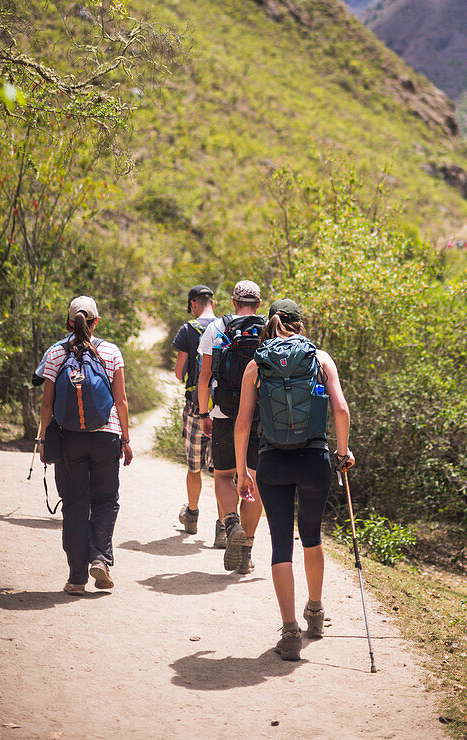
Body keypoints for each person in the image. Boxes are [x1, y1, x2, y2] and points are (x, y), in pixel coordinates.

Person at [235, 298, 353, 661]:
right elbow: (341, 409)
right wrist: (343, 453)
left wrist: (242, 471)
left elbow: (242, 424)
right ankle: (315, 613)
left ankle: (289, 632)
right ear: (300, 325)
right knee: (313, 536)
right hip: (314, 457)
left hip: (273, 463)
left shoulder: (256, 365)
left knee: (281, 543)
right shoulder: (320, 359)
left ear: (271, 324)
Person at [39, 295, 133, 595]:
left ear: (69, 322)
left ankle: (76, 578)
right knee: (105, 500)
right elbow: (121, 400)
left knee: (75, 506)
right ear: (96, 321)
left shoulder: (55, 353)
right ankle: (100, 559)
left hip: (69, 439)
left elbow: (47, 403)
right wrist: (126, 440)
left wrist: (42, 439)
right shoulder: (111, 351)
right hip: (106, 436)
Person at [198, 279, 265, 575]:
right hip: (262, 417)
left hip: (226, 412)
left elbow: (204, 378)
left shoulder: (217, 327)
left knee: (224, 476)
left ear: (234, 302)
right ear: (258, 305)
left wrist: (204, 414)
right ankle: (247, 551)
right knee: (254, 479)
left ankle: (231, 523)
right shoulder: (268, 328)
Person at [171, 284, 225, 546]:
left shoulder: (187, 330)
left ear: (193, 304)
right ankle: (223, 526)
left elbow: (179, 372)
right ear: (212, 304)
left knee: (194, 466)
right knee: (222, 471)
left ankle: (191, 516)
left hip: (195, 408)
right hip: (223, 410)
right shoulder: (225, 328)